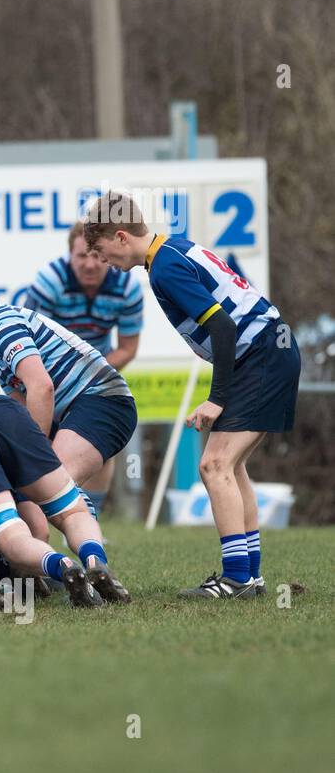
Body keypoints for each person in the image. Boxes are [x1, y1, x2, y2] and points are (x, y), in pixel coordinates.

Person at [83, 190, 300, 599]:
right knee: (232, 468)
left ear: (121, 236)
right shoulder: (171, 248)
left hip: (264, 355)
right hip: (269, 352)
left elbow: (223, 328)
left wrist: (216, 398)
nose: (100, 260)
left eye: (100, 249)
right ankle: (249, 577)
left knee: (214, 464)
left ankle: (236, 578)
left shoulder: (164, 266)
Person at [0, 257, 137, 577]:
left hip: (102, 401)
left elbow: (42, 387)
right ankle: (87, 565)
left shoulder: (1, 325)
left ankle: (87, 566)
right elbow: (20, 402)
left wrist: (31, 456)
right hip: (87, 404)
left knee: (54, 486)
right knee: (45, 489)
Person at [24, 220, 144, 513]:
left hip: (95, 375)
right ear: (69, 255)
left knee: (101, 448)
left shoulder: (127, 287)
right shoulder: (49, 282)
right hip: (49, 375)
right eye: (81, 256)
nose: (90, 264)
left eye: (96, 255)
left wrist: (86, 373)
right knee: (35, 449)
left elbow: (127, 349)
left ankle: (91, 519)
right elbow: (28, 342)